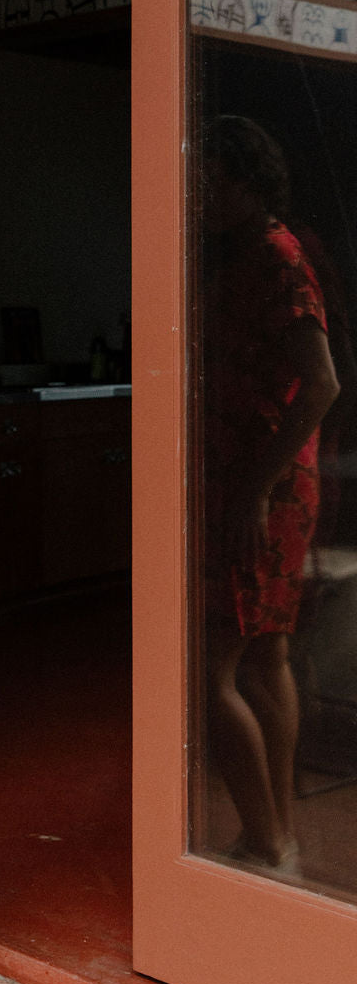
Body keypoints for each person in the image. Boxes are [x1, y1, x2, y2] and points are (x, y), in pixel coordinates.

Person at [201, 115, 339, 874]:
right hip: (267, 482)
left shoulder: (276, 256)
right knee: (267, 656)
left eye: (212, 181)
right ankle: (276, 831)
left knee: (215, 666)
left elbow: (320, 383)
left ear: (247, 182)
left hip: (264, 485)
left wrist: (254, 488)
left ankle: (265, 838)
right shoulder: (246, 254)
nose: (201, 196)